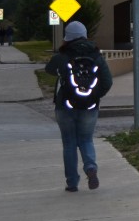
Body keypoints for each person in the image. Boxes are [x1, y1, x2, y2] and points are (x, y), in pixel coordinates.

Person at [45, 21, 113, 192]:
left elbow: (49, 69)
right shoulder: (96, 55)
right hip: (90, 106)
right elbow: (107, 81)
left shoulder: (62, 55)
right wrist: (95, 95)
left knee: (69, 143)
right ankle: (90, 167)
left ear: (67, 37)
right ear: (85, 35)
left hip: (64, 105)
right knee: (86, 139)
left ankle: (72, 182)